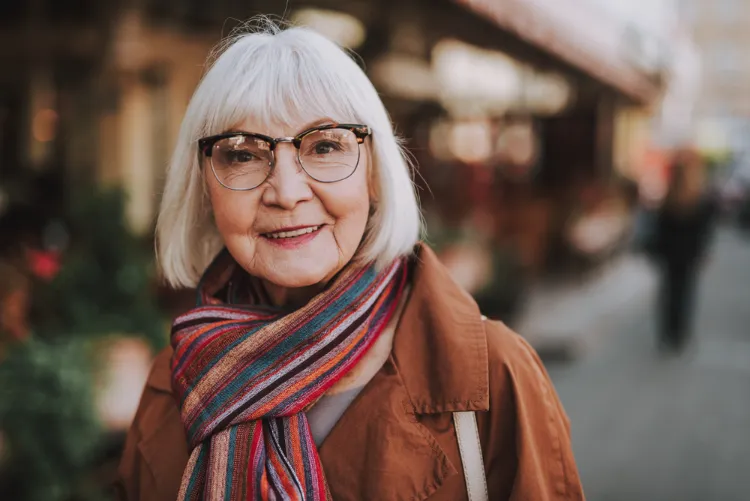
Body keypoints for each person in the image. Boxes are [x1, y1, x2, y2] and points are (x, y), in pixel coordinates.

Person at [115, 20, 584, 501]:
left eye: (324, 147)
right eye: (243, 156)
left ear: (376, 175)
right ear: (204, 187)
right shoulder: (171, 385)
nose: (287, 193)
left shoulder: (493, 377)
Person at [651, 149, 716, 352]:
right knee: (685, 294)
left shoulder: (670, 197)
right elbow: (704, 230)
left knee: (670, 293)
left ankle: (669, 333)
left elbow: (660, 227)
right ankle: (679, 335)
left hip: (671, 253)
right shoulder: (697, 197)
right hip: (687, 254)